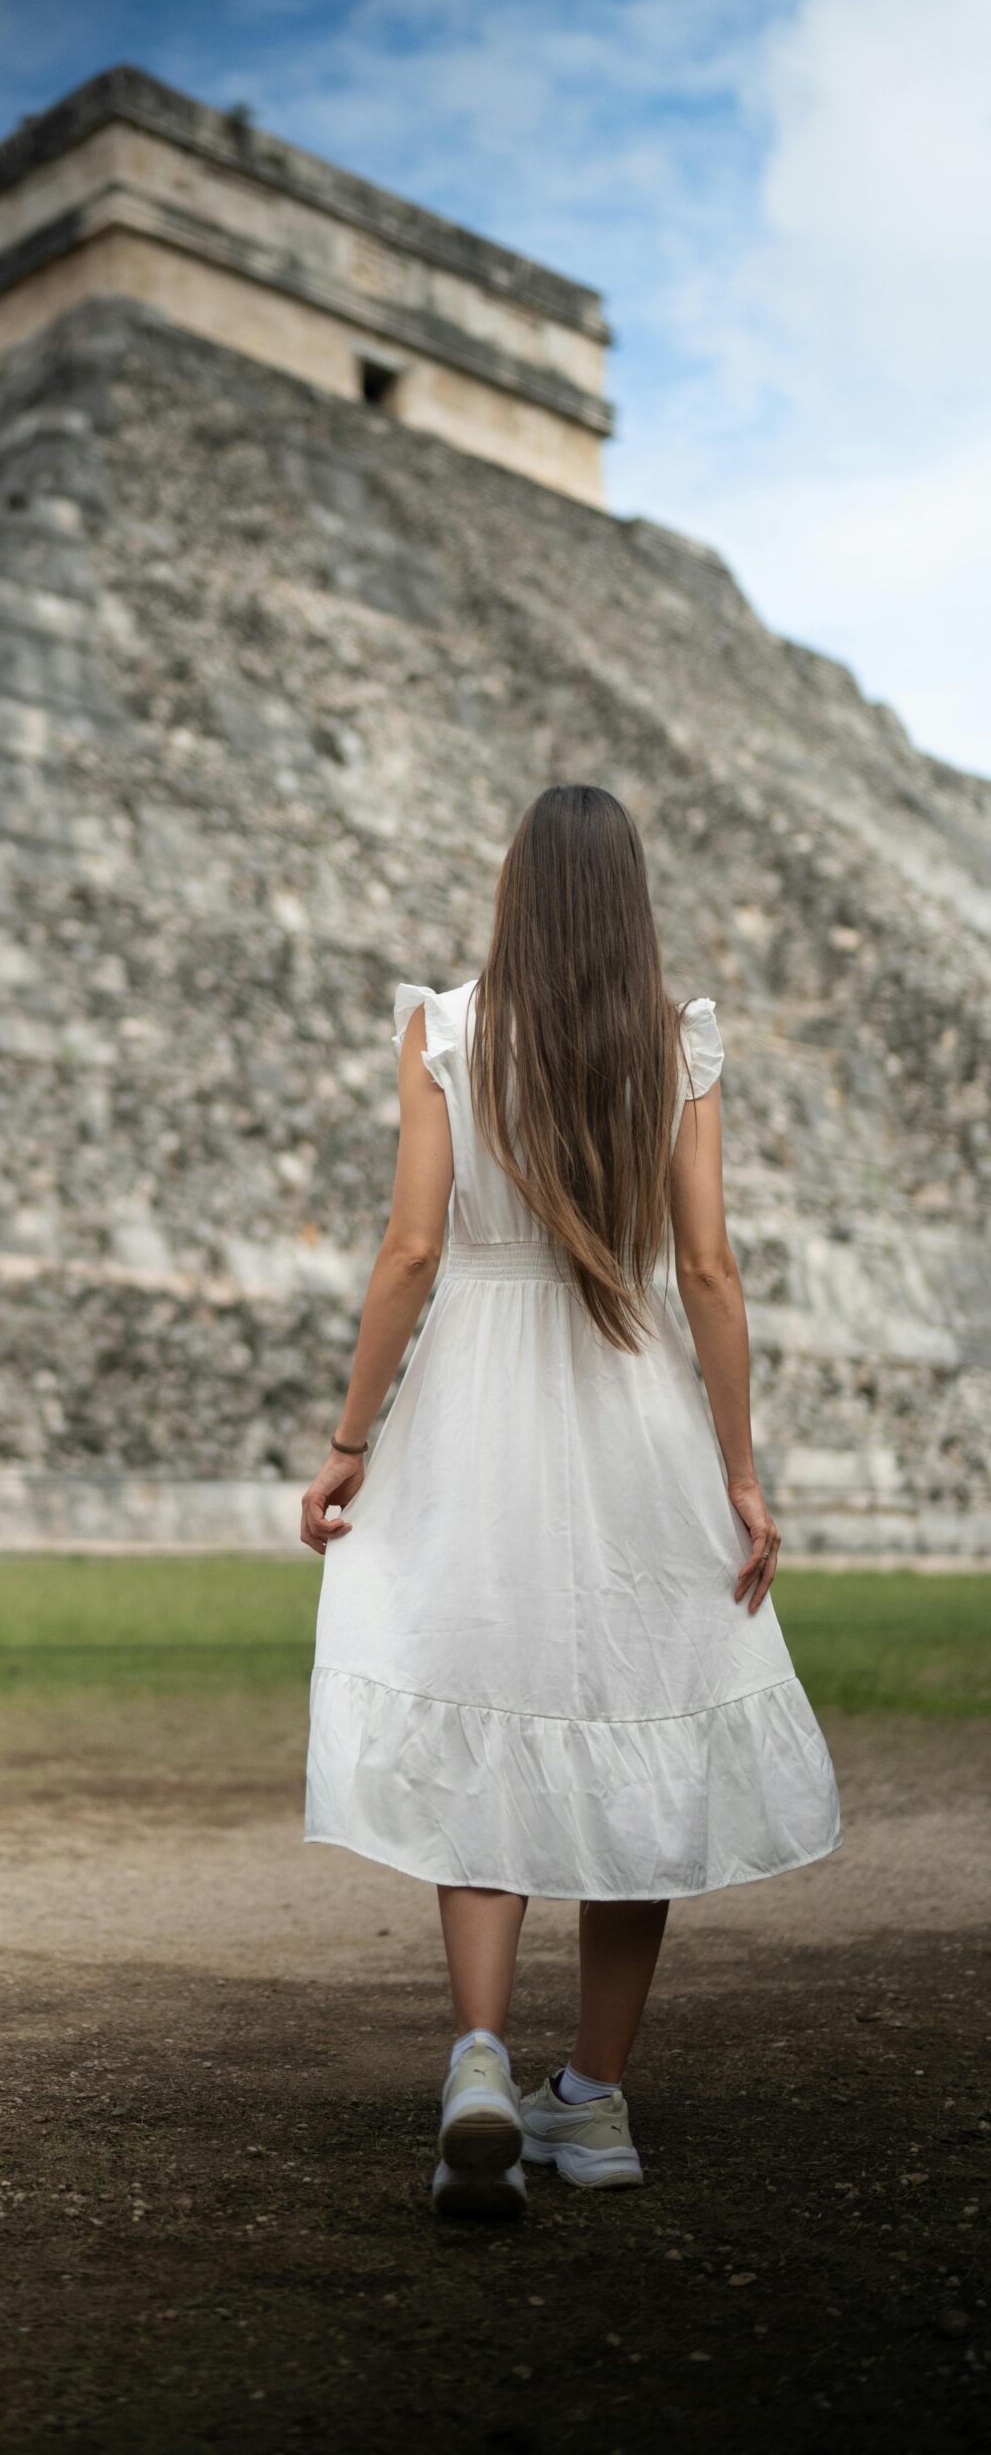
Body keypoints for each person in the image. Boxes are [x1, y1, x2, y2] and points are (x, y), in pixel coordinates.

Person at [299, 783, 841, 2219]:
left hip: (478, 1403)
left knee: (477, 1695)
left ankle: (480, 2056)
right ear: (631, 901)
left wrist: (354, 1435)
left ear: (514, 892)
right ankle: (593, 2103)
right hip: (633, 1408)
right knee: (631, 1718)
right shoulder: (674, 1045)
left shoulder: (447, 1032)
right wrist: (738, 1466)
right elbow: (711, 1274)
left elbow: (413, 1251)